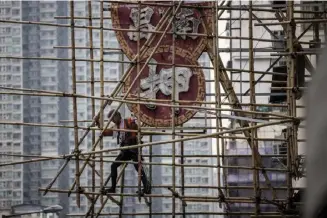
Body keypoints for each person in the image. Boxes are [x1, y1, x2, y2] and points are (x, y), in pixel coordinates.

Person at [94, 109, 151, 194]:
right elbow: (105, 132)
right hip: (125, 150)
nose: (113, 120)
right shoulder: (116, 127)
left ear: (118, 116)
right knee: (114, 166)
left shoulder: (128, 121)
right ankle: (113, 188)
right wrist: (98, 123)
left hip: (133, 149)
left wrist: (133, 124)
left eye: (113, 118)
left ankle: (147, 188)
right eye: (111, 119)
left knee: (139, 168)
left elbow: (136, 129)